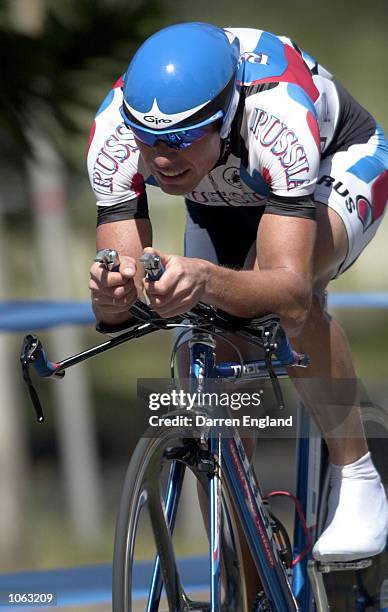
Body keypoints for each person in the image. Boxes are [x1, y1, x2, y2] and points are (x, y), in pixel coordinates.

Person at [87, 21, 388, 603]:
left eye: (179, 140)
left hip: (331, 170)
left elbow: (289, 287)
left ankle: (358, 475)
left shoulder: (278, 115)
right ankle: (242, 576)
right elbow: (124, 273)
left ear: (223, 119)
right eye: (149, 141)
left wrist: (203, 278)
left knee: (280, 302)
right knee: (203, 360)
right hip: (220, 195)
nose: (159, 158)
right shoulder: (116, 130)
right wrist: (113, 294)